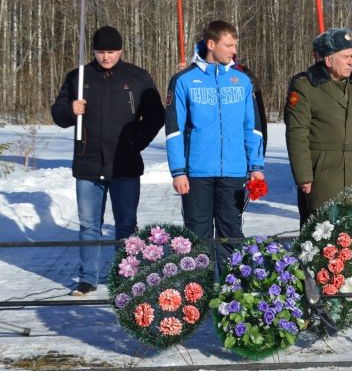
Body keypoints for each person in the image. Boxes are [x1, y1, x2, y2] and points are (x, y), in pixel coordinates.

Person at [51, 26, 165, 295]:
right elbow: (57, 114)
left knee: (126, 223)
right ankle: (87, 279)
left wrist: (135, 143)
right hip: (88, 163)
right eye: (101, 52)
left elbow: (155, 116)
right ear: (94, 51)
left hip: (124, 164)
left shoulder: (137, 77)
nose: (105, 57)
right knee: (90, 225)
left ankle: (126, 276)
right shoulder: (79, 77)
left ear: (121, 51)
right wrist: (71, 110)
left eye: (111, 52)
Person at [165, 20, 265, 264]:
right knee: (197, 237)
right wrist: (178, 171)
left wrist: (256, 166)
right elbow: (174, 130)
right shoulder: (183, 80)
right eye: (228, 45)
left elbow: (252, 128)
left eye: (234, 46)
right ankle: (199, 292)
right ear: (211, 44)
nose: (234, 51)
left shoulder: (241, 81)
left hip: (233, 171)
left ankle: (229, 292)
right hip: (196, 174)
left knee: (231, 234)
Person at [285, 28, 352, 225]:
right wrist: (303, 176)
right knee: (319, 241)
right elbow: (297, 134)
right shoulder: (306, 86)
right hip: (322, 177)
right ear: (328, 60)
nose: (351, 61)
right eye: (345, 56)